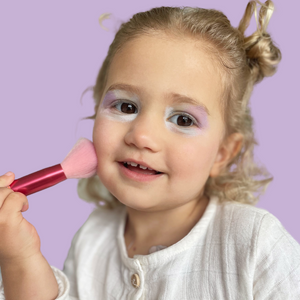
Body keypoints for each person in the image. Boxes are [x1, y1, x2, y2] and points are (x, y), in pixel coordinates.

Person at [0, 0, 299, 299]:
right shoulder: (92, 240)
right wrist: (19, 259)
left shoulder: (255, 245)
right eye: (126, 106)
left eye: (183, 119)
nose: (141, 135)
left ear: (222, 153)